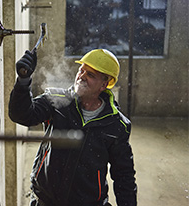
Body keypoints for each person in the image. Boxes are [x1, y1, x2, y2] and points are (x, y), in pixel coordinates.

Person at [9, 49, 137, 206]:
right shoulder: (56, 101)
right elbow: (21, 115)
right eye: (81, 70)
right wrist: (23, 81)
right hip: (45, 200)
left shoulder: (117, 125)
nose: (82, 76)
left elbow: (124, 176)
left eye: (90, 75)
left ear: (104, 84)